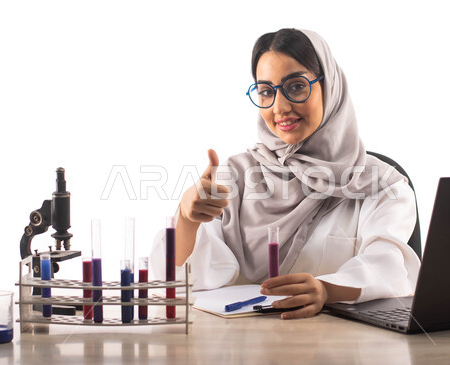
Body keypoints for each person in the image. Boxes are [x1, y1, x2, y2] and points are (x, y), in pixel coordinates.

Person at [151, 29, 420, 319]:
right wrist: (187, 219)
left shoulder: (380, 185)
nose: (280, 107)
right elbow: (177, 282)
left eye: (296, 86)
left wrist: (329, 289)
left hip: (337, 348)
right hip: (240, 348)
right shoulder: (236, 176)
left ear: (330, 87)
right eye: (266, 91)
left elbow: (392, 267)